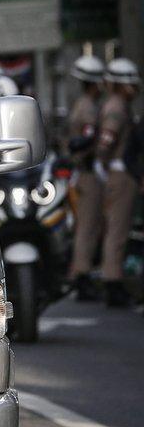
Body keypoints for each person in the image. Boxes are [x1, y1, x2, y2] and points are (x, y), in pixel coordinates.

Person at [94, 58, 140, 307]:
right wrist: (103, 165)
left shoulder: (119, 104)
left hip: (118, 172)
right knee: (117, 230)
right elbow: (106, 142)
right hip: (120, 173)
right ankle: (112, 281)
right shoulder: (117, 107)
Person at [65, 55, 106, 301]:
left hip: (84, 172)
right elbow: (86, 139)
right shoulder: (89, 107)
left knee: (87, 226)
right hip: (89, 172)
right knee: (88, 228)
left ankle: (83, 272)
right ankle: (81, 275)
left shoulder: (81, 104)